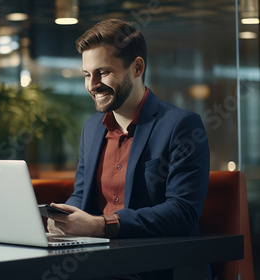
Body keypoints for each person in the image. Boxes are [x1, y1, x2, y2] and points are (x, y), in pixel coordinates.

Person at [47, 19, 210, 280]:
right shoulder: (92, 128)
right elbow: (81, 195)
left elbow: (183, 213)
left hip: (155, 267)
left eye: (103, 72)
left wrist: (102, 225)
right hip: (95, 264)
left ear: (136, 67)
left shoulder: (182, 125)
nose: (92, 85)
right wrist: (63, 218)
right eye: (87, 75)